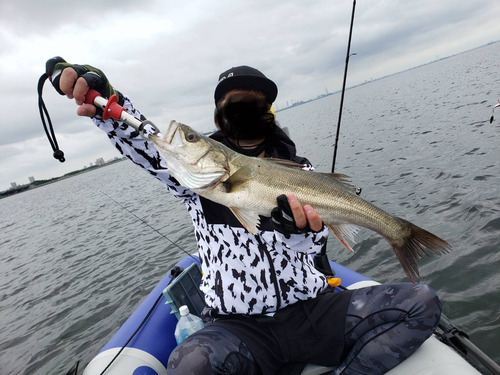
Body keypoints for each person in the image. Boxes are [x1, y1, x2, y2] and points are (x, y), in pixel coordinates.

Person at [47, 57, 442, 375]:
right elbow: (145, 139)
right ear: (219, 116)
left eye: (255, 101)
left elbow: (314, 244)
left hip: (312, 309)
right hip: (240, 326)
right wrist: (106, 100)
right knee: (189, 366)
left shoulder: (299, 169)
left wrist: (299, 231)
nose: (245, 109)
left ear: (268, 111)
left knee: (421, 302)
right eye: (235, 102)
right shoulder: (192, 176)